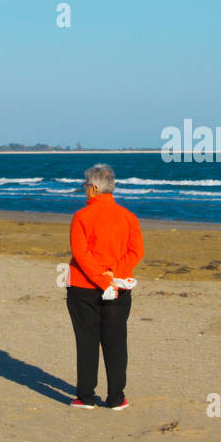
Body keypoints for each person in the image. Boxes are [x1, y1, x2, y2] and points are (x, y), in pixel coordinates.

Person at [66, 164, 144, 410]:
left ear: (95, 188)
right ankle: (116, 397)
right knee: (116, 342)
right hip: (118, 288)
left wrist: (104, 278)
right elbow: (136, 252)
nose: (83, 188)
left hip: (84, 288)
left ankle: (86, 396)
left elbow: (80, 254)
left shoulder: (82, 216)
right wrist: (114, 274)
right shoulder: (128, 216)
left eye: (85, 185)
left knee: (87, 342)